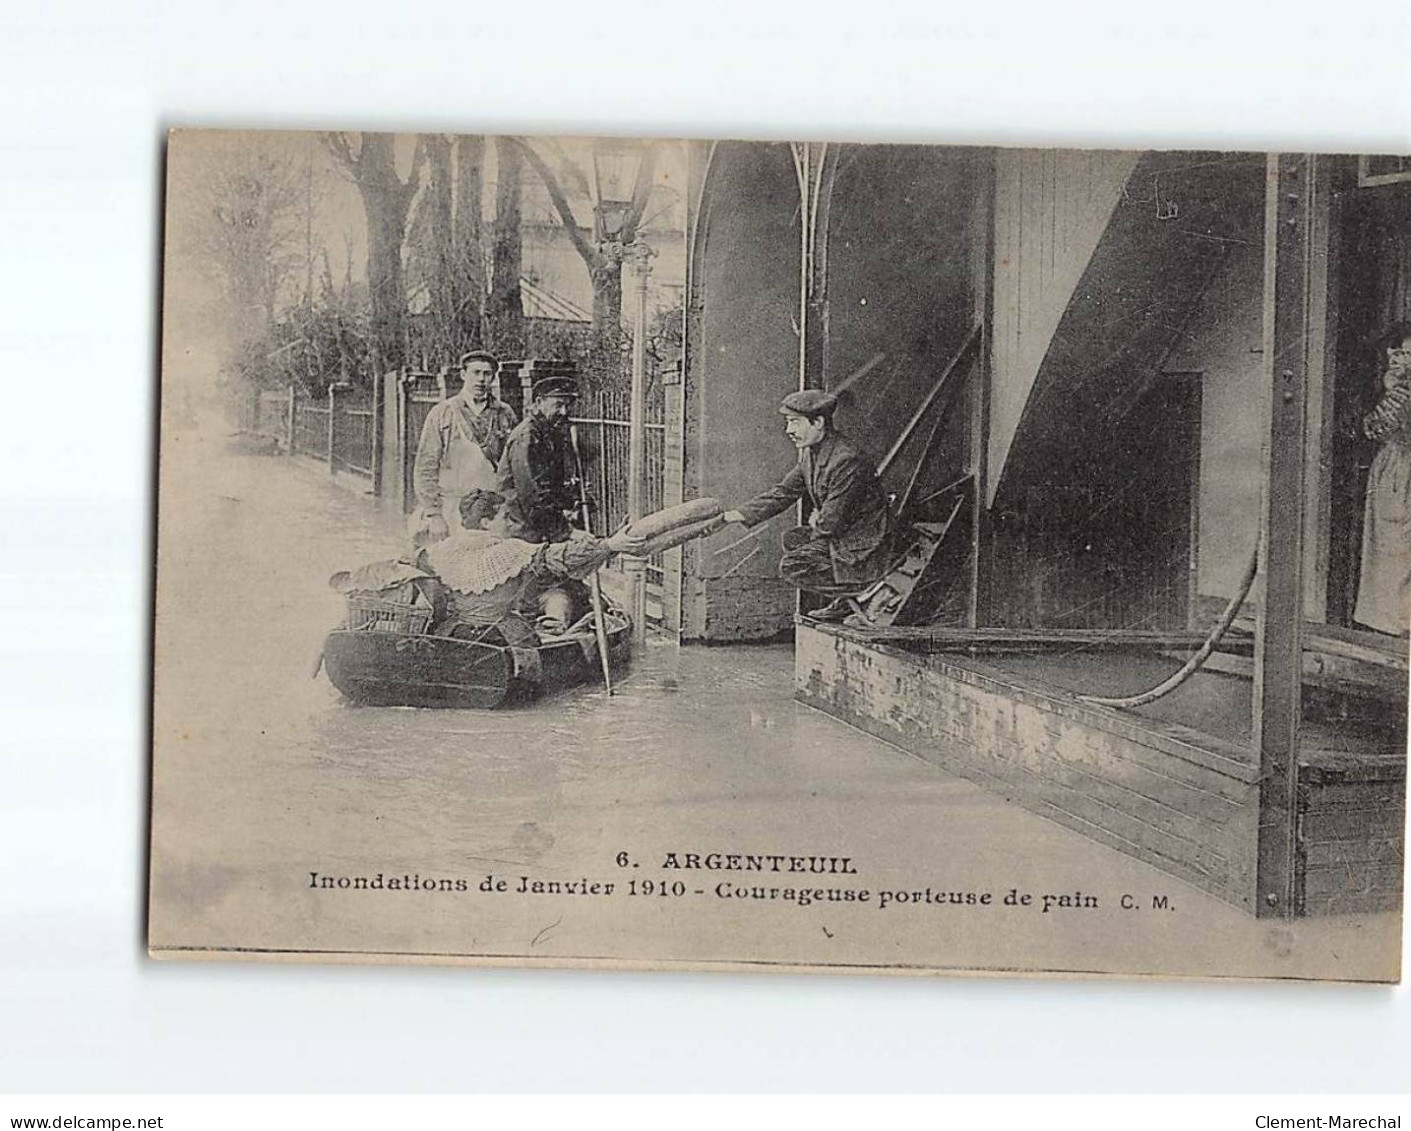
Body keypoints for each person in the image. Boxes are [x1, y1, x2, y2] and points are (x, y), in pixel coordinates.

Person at [722, 389, 893, 620]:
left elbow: (830, 521)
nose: (789, 430)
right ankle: (847, 598)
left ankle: (869, 590)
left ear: (819, 422)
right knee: (793, 540)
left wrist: (818, 522)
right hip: (842, 533)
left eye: (795, 422)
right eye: (788, 422)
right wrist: (734, 516)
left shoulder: (846, 459)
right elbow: (783, 493)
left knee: (793, 565)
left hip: (863, 541)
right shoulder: (812, 454)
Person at [421, 489, 645, 647]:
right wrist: (609, 545)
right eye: (505, 517)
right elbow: (563, 557)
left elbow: (407, 570)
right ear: (486, 523)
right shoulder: (513, 550)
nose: (510, 523)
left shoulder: (439, 551)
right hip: (501, 637)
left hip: (454, 635)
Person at [412, 350, 519, 543]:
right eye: (475, 373)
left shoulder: (505, 413)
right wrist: (434, 514)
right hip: (451, 508)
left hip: (490, 512)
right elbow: (426, 467)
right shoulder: (442, 413)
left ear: (493, 378)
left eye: (486, 374)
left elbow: (513, 465)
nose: (481, 380)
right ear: (463, 375)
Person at [1354, 322, 1411, 636]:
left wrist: (1389, 390)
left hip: (1400, 469)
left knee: (1394, 550)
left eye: (1403, 353)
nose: (1395, 359)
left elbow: (1374, 427)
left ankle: (1394, 625)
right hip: (1399, 468)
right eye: (1394, 352)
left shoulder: (1402, 389)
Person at [495, 375, 580, 544]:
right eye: (558, 405)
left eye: (568, 405)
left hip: (536, 526)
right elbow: (531, 492)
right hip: (521, 530)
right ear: (539, 402)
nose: (564, 412)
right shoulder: (527, 436)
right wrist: (563, 531)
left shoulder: (548, 432)